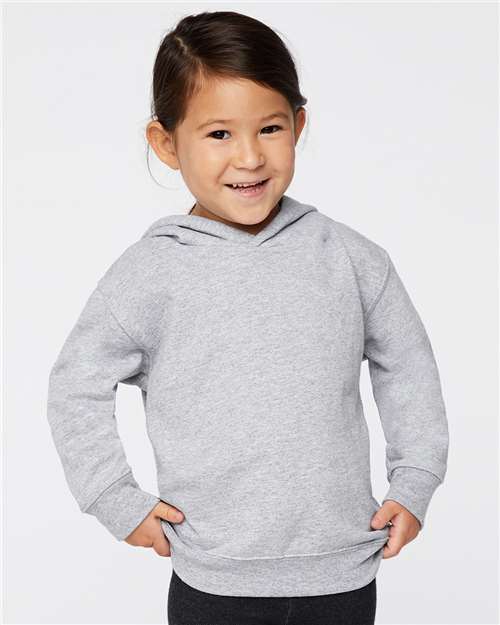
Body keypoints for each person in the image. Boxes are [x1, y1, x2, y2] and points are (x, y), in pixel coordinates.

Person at [46, 10, 449, 625]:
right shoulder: (150, 274)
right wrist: (114, 498)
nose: (250, 157)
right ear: (166, 143)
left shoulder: (350, 258)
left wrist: (414, 479)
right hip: (213, 579)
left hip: (343, 570)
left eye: (269, 128)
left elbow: (409, 368)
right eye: (218, 134)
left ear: (298, 125)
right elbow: (75, 385)